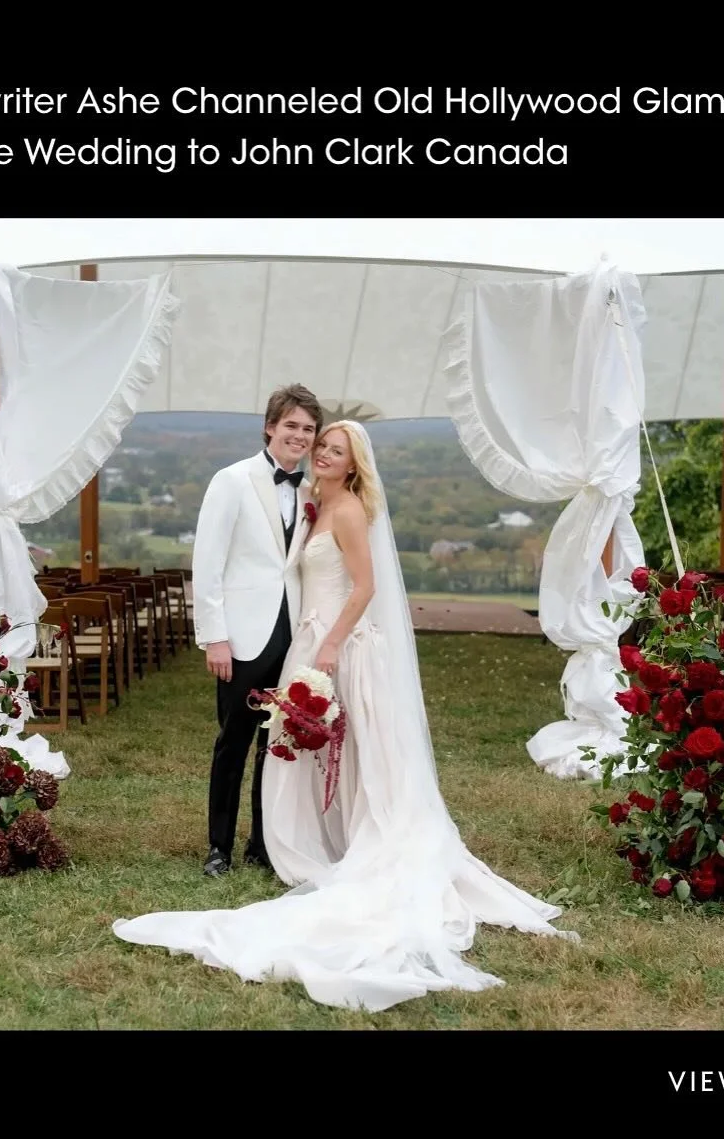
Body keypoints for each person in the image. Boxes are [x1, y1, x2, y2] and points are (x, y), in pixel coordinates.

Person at [113, 420, 577, 1011]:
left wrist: (331, 644)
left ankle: (336, 841)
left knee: (351, 750)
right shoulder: (309, 501)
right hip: (300, 642)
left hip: (340, 645)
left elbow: (364, 588)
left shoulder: (351, 511)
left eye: (334, 448)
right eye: (320, 444)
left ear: (354, 464)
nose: (323, 453)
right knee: (292, 744)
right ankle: (265, 843)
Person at [189, 383, 323, 877]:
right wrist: (215, 636)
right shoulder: (232, 480)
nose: (300, 436)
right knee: (234, 742)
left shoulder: (313, 490)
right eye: (291, 425)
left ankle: (262, 843)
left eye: (308, 429)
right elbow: (208, 563)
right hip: (242, 636)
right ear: (270, 427)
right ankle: (218, 847)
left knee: (279, 743)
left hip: (292, 633)